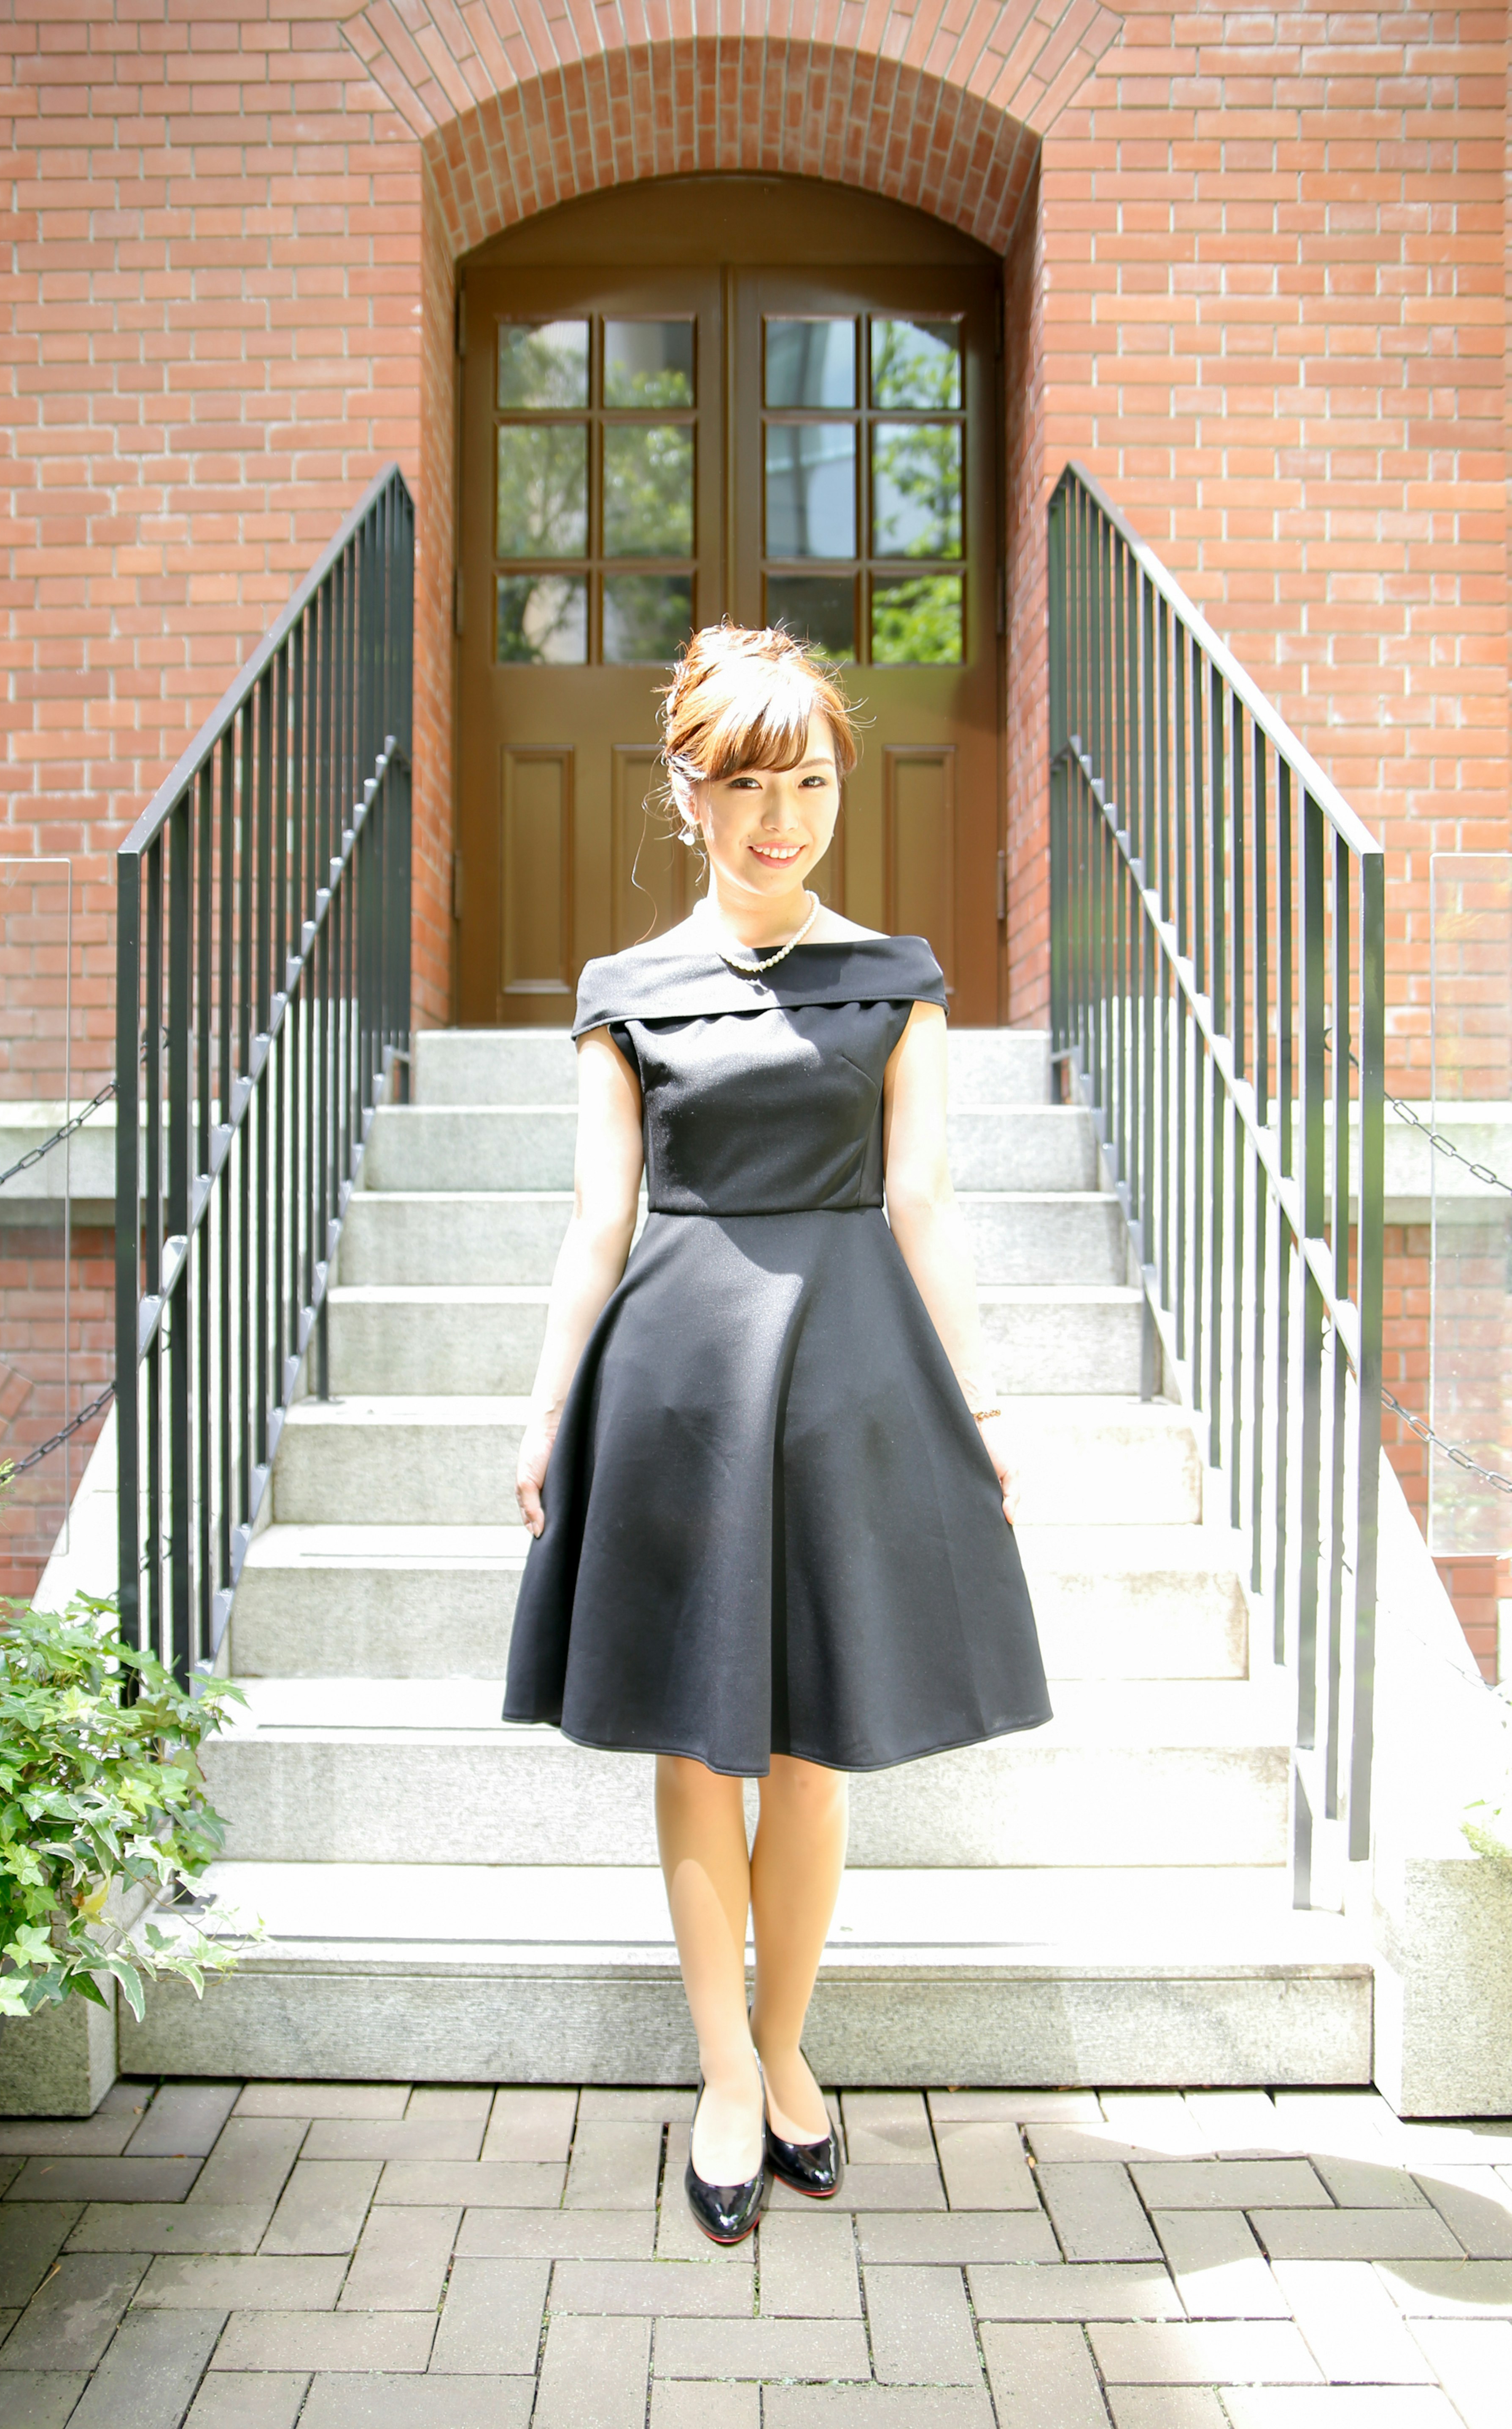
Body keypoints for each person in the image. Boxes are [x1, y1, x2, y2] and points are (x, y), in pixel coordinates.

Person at [505, 623, 1050, 2243]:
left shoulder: (898, 976)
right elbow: (598, 1223)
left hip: (853, 1384)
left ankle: (791, 2044)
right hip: (674, 1386)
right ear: (688, 791)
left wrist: (987, 1402)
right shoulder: (626, 996)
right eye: (748, 785)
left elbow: (923, 1201)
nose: (782, 818)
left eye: (808, 782)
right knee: (697, 1741)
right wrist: (545, 1414)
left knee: (813, 1752)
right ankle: (721, 2075)